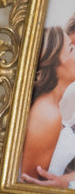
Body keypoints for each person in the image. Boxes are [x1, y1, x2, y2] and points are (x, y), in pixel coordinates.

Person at [19, 25, 75, 185]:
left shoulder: (52, 108)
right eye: (71, 49)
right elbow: (28, 189)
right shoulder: (46, 115)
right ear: (53, 65)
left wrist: (65, 182)